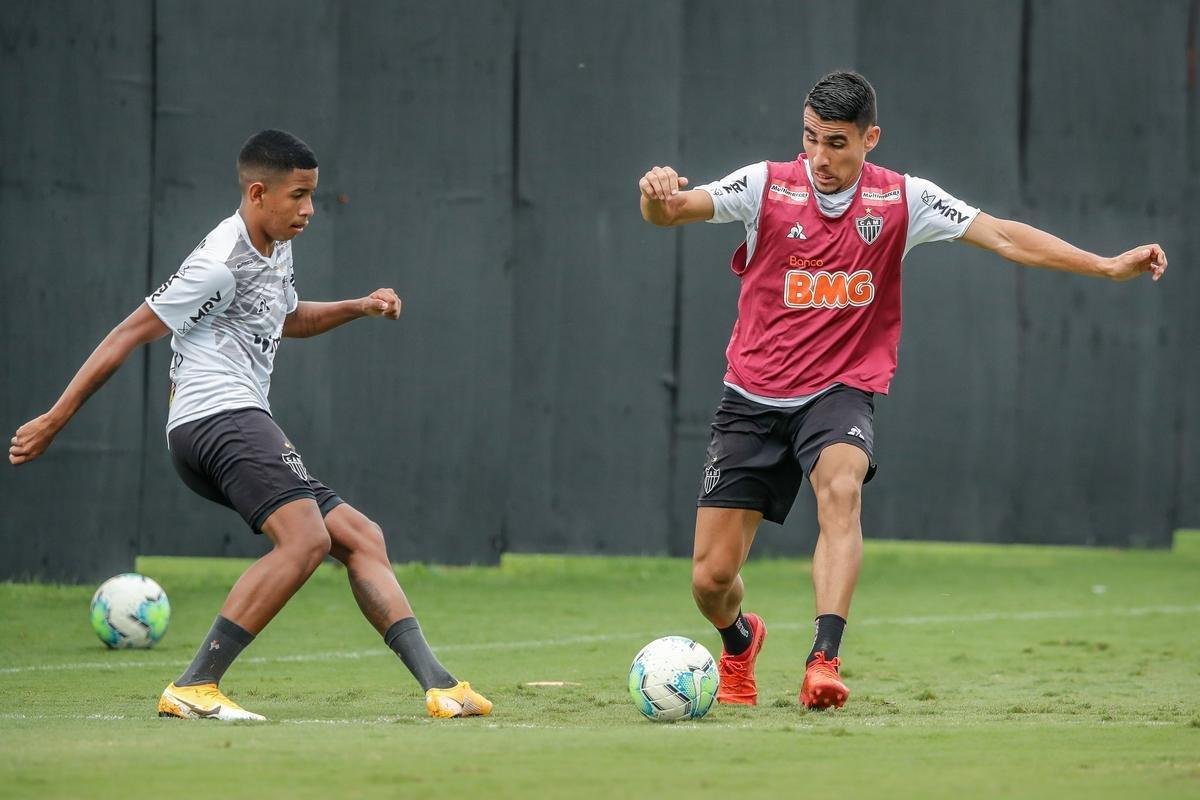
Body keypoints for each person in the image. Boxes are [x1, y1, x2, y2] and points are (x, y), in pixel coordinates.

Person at [637, 71, 1167, 710]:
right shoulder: (765, 186)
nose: (820, 157)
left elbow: (1001, 234)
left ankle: (822, 661)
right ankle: (740, 639)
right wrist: (656, 191)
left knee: (841, 488)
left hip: (839, 392)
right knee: (710, 579)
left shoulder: (903, 200)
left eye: (836, 143)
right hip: (752, 397)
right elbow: (670, 212)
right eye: (810, 139)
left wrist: (1106, 264)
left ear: (870, 139)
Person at [9, 129, 492, 721]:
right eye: (299, 196)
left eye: (314, 194)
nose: (310, 209)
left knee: (360, 537)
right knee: (307, 540)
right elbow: (127, 334)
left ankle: (441, 687)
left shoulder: (277, 243)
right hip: (216, 419)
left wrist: (357, 307)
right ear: (258, 192)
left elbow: (287, 318)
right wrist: (55, 418)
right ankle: (195, 685)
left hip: (236, 419)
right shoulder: (216, 262)